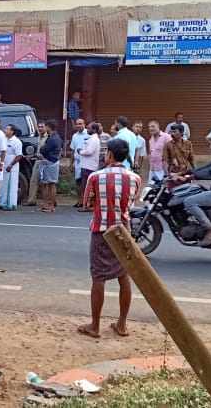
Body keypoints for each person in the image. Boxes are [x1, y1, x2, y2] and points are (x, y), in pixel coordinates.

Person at [77, 138, 140, 339]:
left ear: (110, 154)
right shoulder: (135, 178)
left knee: (99, 277)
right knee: (124, 276)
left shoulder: (96, 177)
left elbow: (86, 203)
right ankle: (122, 324)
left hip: (102, 230)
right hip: (123, 231)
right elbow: (131, 202)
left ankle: (95, 325)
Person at [77, 122, 102, 212]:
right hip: (87, 165)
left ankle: (88, 205)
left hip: (89, 166)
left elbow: (89, 152)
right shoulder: (91, 139)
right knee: (88, 186)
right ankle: (88, 205)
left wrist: (80, 151)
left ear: (94, 130)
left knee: (88, 187)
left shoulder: (93, 140)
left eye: (89, 128)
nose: (87, 130)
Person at [22, 122, 49, 206]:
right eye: (39, 127)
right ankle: (31, 200)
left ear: (46, 127)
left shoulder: (49, 138)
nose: (40, 128)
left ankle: (50, 201)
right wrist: (30, 156)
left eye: (42, 127)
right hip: (38, 160)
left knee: (46, 182)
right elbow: (38, 151)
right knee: (33, 180)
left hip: (46, 161)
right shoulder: (39, 137)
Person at [39, 119, 63, 212]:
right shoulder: (56, 137)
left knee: (49, 184)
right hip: (53, 161)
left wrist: (42, 148)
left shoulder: (52, 138)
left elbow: (44, 150)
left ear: (49, 127)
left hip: (50, 161)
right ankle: (47, 204)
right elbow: (62, 145)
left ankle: (50, 205)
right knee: (47, 184)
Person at [0, 124, 24, 210]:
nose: (5, 130)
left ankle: (10, 204)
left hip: (11, 167)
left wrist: (11, 165)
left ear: (12, 131)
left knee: (11, 186)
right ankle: (1, 202)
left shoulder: (16, 142)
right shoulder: (4, 140)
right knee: (3, 185)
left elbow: (19, 156)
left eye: (7, 129)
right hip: (4, 165)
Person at [70, 119, 91, 207]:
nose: (78, 125)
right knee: (78, 181)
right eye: (77, 124)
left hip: (87, 161)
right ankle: (79, 200)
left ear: (84, 124)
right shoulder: (74, 136)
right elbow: (72, 150)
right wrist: (71, 163)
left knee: (86, 182)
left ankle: (86, 200)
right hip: (78, 162)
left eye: (80, 124)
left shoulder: (89, 135)